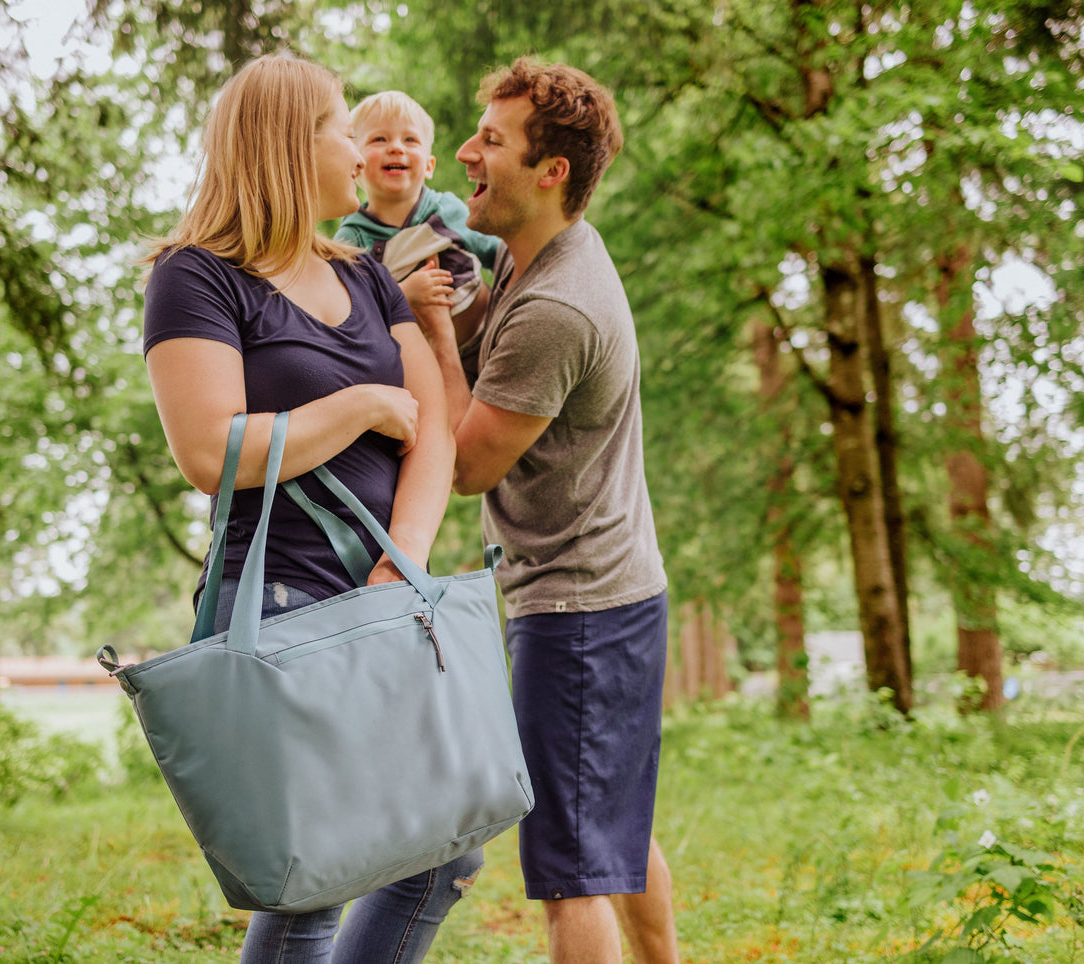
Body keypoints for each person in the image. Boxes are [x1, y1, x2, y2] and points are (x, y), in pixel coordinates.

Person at [140, 53, 478, 964]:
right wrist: (357, 408)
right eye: (338, 128)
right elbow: (210, 452)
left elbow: (434, 428)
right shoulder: (195, 277)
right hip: (286, 596)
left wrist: (404, 554)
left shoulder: (365, 275)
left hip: (385, 588)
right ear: (291, 146)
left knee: (448, 845)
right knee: (314, 876)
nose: (356, 150)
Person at [413, 57, 681, 964]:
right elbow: (484, 335)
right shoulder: (549, 252)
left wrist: (423, 333)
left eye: (491, 139)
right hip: (620, 594)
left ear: (550, 171)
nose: (463, 151)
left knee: (570, 870)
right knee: (613, 828)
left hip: (576, 613)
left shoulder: (558, 305)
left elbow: (467, 463)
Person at [333, 90, 498, 346]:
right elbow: (347, 312)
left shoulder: (446, 210)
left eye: (410, 140)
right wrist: (403, 294)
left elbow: (498, 255)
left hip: (487, 339)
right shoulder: (351, 238)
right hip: (416, 361)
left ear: (429, 166)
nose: (396, 147)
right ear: (357, 165)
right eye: (379, 139)